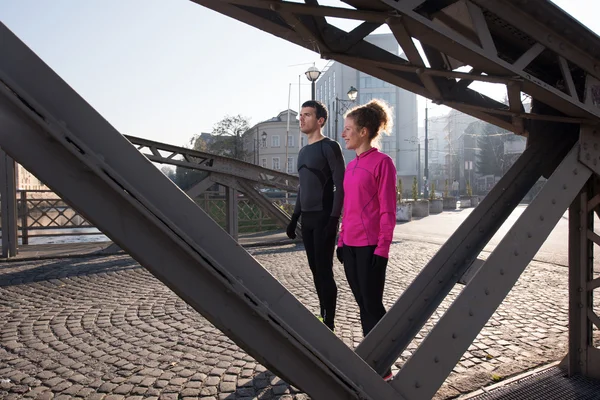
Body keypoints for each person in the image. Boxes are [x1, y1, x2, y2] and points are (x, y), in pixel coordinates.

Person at [336, 99, 396, 381]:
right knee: (362, 303)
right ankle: (374, 359)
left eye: (348, 129)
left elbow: (387, 209)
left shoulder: (383, 163)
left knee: (373, 304)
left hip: (372, 247)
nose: (343, 134)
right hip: (350, 247)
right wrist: (341, 241)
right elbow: (348, 208)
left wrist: (382, 248)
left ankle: (384, 365)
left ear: (364, 131)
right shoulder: (351, 167)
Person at [286, 100, 345, 331]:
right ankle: (323, 317)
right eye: (300, 115)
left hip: (323, 217)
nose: (301, 119)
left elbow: (341, 184)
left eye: (307, 115)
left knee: (324, 270)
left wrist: (333, 219)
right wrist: (294, 218)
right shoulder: (302, 152)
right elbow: (303, 187)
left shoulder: (329, 147)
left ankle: (329, 322)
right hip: (307, 219)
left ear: (320, 120)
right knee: (314, 270)